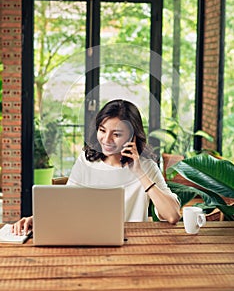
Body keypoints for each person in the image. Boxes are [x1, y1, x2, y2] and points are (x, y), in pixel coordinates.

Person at [12, 99, 180, 235]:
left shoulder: (146, 167)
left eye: (116, 134)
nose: (106, 140)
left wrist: (139, 173)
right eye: (102, 130)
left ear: (132, 137)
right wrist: (38, 218)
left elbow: (172, 216)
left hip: (132, 244)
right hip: (87, 240)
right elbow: (66, 204)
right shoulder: (86, 161)